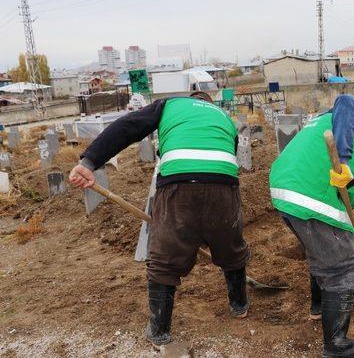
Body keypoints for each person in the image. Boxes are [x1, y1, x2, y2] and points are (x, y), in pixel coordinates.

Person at [68, 91, 249, 348]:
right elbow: (226, 157)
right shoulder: (224, 117)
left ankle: (160, 331)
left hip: (178, 186)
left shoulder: (170, 106)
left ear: (190, 99)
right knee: (230, 246)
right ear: (210, 104)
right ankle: (239, 305)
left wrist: (89, 161)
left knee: (164, 258)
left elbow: (127, 127)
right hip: (224, 186)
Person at [269, 85, 354, 358]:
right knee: (345, 266)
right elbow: (345, 102)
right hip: (308, 193)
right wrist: (344, 159)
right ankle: (336, 346)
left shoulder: (334, 122)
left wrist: (348, 229)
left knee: (326, 254)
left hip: (292, 189)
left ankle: (319, 307)